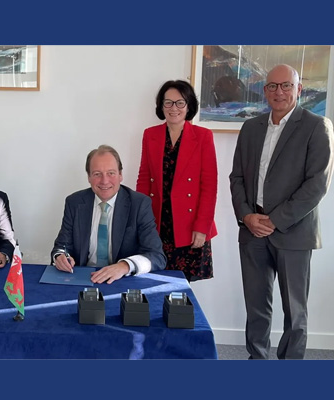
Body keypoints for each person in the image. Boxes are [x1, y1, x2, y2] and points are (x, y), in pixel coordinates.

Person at [230, 64, 334, 359]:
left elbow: (317, 185)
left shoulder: (317, 126)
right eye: (272, 86)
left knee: (295, 311)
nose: (279, 92)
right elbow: (236, 178)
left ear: (299, 89)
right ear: (265, 91)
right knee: (256, 307)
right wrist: (247, 216)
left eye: (286, 85)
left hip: (294, 232)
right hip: (252, 230)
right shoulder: (251, 128)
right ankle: (258, 362)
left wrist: (274, 220)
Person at [136, 80, 218, 282]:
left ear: (189, 105)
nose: (174, 108)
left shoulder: (203, 136)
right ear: (161, 106)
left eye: (180, 103)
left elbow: (209, 186)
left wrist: (202, 227)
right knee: (153, 281)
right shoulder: (150, 135)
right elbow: (144, 179)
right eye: (168, 103)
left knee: (181, 288)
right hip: (157, 222)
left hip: (189, 227)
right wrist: (140, 220)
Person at [51, 145, 166, 284]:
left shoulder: (139, 204)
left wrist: (124, 266)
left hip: (122, 280)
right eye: (97, 174)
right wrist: (60, 257)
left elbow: (157, 256)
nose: (104, 181)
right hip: (84, 278)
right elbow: (61, 246)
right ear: (89, 177)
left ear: (120, 175)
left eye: (111, 173)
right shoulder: (74, 203)